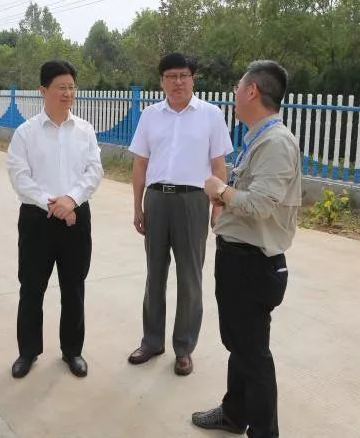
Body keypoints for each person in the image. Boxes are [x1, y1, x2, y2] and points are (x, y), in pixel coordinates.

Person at [192, 60, 301, 437]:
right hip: (238, 258)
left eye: (238, 88)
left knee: (253, 355)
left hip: (253, 264)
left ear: (252, 91)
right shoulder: (259, 137)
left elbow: (260, 205)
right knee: (241, 344)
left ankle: (263, 432)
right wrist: (227, 198)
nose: (234, 94)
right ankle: (234, 413)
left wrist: (220, 190)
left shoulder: (276, 143)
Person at [127, 53, 232, 376]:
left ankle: (184, 348)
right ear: (161, 81)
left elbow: (218, 166)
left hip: (192, 201)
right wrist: (138, 205)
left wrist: (217, 206)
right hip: (157, 200)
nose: (177, 82)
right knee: (154, 274)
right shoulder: (150, 116)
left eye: (183, 75)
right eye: (171, 76)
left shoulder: (211, 115)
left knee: (190, 277)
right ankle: (151, 341)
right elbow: (140, 163)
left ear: (193, 79)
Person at [6, 60, 103, 379]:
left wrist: (71, 200)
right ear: (43, 90)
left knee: (74, 287)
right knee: (31, 287)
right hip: (37, 220)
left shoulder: (85, 130)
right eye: (61, 87)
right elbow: (19, 176)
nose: (67, 93)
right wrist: (55, 204)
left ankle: (72, 350)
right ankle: (28, 351)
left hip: (77, 218)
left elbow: (94, 171)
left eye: (71, 87)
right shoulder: (25, 133)